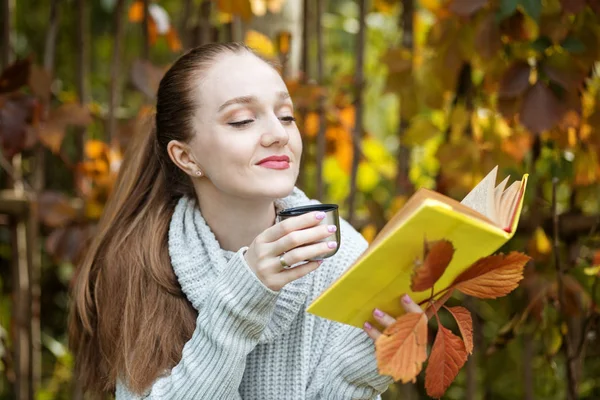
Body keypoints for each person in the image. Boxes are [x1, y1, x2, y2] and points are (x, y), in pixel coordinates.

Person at [68, 42, 423, 399]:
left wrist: (356, 374)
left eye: (286, 116)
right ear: (186, 157)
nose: (278, 134)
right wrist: (241, 297)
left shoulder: (341, 256)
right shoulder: (142, 262)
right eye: (242, 120)